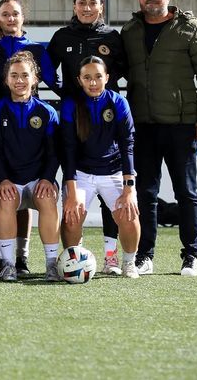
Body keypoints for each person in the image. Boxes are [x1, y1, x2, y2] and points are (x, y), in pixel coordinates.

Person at [121, 0, 197, 277]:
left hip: (182, 125)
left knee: (186, 193)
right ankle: (144, 256)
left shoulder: (190, 27)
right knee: (145, 194)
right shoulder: (130, 30)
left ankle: (191, 255)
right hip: (142, 125)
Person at [47, 0, 128, 274]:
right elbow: (47, 68)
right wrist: (64, 91)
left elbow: (124, 68)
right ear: (74, 6)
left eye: (93, 3)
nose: (87, 7)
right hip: (74, 117)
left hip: (105, 117)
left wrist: (105, 87)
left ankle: (111, 255)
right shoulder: (62, 37)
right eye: (82, 2)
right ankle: (73, 252)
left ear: (101, 7)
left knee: (109, 191)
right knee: (74, 178)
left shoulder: (112, 37)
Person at [0, 0, 60, 275]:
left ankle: (33, 260)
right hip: (3, 137)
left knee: (38, 196)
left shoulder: (37, 51)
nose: (11, 18)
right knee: (5, 196)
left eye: (15, 13)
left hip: (33, 149)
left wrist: (48, 177)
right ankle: (6, 262)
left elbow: (56, 83)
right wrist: (2, 177)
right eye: (5, 14)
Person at [60, 56, 140, 279]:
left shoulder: (118, 102)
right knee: (71, 216)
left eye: (97, 76)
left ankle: (129, 262)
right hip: (81, 174)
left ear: (107, 77)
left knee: (129, 214)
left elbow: (127, 144)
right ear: (79, 80)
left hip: (113, 171)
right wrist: (72, 192)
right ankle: (73, 260)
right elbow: (67, 149)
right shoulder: (70, 104)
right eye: (87, 78)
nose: (93, 82)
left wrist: (129, 188)